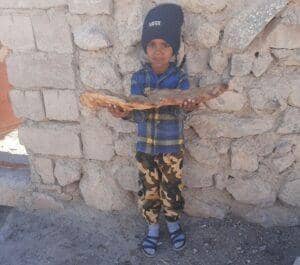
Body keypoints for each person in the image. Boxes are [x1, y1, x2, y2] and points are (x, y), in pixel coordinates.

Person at [108, 3, 198, 257]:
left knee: (172, 188)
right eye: (152, 45)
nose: (158, 52)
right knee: (148, 190)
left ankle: (173, 223)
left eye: (165, 46)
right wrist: (124, 112)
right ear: (145, 49)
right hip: (145, 149)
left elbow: (181, 111)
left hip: (171, 148)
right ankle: (152, 229)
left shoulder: (180, 79)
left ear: (174, 50)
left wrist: (188, 107)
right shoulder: (139, 78)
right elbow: (137, 112)